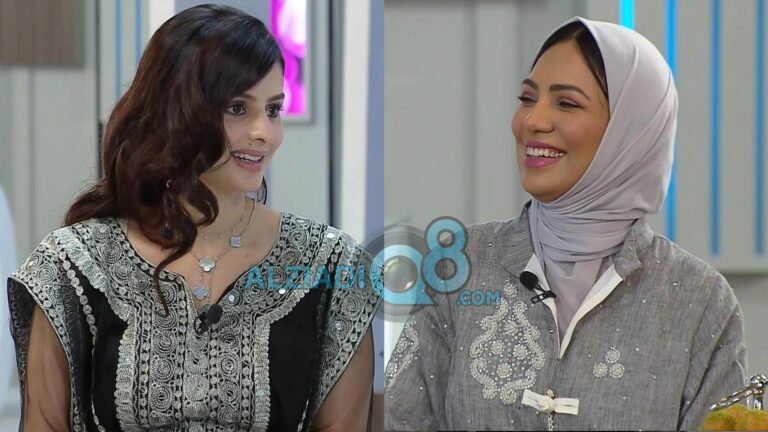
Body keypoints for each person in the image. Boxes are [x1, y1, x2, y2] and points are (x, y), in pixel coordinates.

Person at [7, 5, 381, 431]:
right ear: (176, 112)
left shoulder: (333, 268)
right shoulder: (70, 265)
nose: (265, 133)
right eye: (237, 108)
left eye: (273, 109)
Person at [384, 16, 747, 431]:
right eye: (527, 98)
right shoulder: (458, 266)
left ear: (631, 132)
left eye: (567, 104)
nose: (532, 121)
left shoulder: (700, 302)